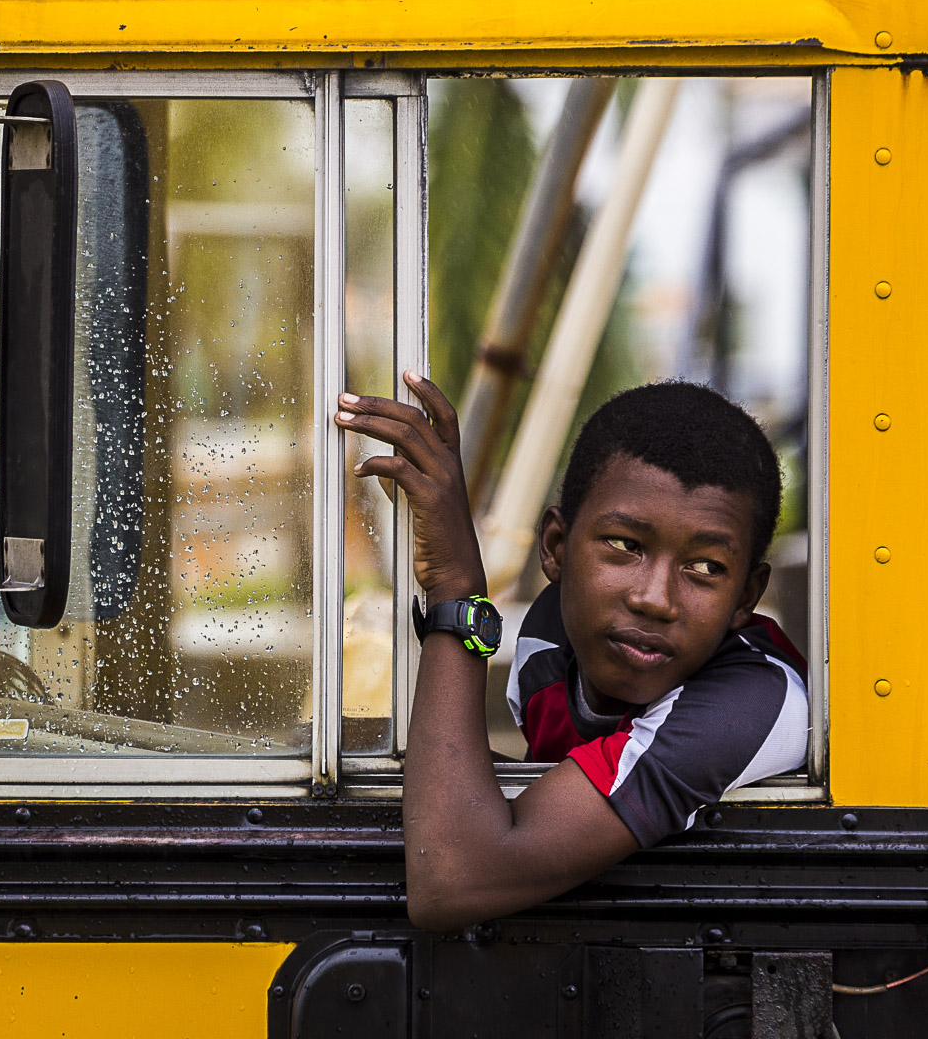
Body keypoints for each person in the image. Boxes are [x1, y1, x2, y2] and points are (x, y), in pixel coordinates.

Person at [334, 374, 807, 931]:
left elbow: (454, 878)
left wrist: (456, 589)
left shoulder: (753, 702)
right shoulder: (549, 643)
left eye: (705, 568)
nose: (654, 599)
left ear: (746, 598)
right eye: (625, 545)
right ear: (556, 548)